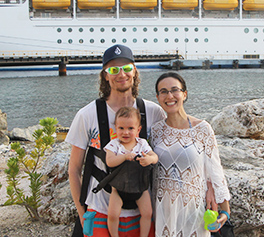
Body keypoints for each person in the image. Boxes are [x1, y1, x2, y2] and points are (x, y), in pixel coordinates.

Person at [66, 44, 166, 237]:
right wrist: (81, 212)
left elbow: (170, 153)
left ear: (134, 71)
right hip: (101, 210)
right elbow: (74, 169)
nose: (122, 74)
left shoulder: (153, 112)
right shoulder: (87, 115)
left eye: (127, 68)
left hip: (144, 211)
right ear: (105, 75)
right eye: (113, 69)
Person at [151, 72, 231, 237]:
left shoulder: (202, 128)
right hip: (162, 209)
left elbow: (215, 170)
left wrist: (226, 211)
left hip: (193, 209)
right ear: (158, 97)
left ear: (184, 94)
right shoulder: (155, 131)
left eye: (175, 90)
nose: (170, 96)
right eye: (164, 91)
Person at [105, 106, 158, 237]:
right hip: (118, 189)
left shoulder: (142, 144)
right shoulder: (114, 144)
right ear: (115, 129)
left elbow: (155, 157)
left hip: (140, 186)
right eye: (121, 128)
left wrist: (149, 159)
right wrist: (123, 156)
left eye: (130, 128)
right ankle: (114, 235)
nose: (125, 132)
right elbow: (109, 162)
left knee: (147, 213)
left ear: (138, 129)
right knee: (112, 215)